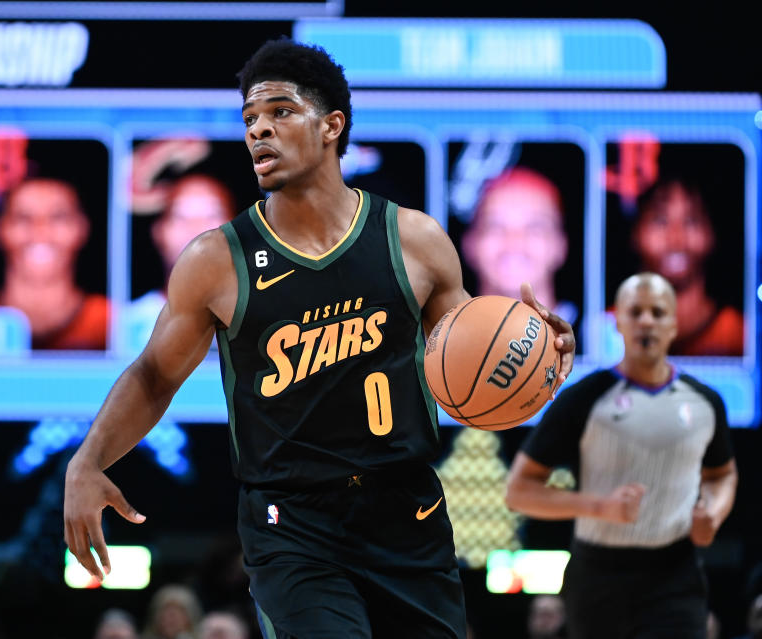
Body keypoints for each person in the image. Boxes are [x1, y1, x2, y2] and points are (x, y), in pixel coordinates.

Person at [64, 38, 575, 639]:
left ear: (332, 125)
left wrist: (537, 359)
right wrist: (88, 461)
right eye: (251, 119)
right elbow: (153, 375)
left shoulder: (412, 239)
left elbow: (467, 361)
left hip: (405, 509)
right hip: (292, 523)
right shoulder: (216, 261)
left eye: (280, 112)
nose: (260, 131)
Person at [506, 272, 738, 639]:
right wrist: (600, 506)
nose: (647, 320)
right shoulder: (583, 398)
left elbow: (722, 475)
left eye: (658, 312)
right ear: (619, 322)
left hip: (676, 573)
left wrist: (714, 510)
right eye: (636, 311)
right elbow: (518, 490)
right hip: (597, 573)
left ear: (674, 324)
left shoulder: (706, 402)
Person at [0, 176, 109, 350]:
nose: (40, 231)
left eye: (58, 217)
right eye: (23, 218)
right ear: (0, 229)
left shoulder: (112, 323)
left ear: (81, 228)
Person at [124, 174, 236, 352]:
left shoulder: (267, 322)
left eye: (213, 215)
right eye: (180, 217)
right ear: (159, 232)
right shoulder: (124, 330)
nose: (197, 228)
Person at [630, 177, 742, 356]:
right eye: (660, 220)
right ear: (635, 232)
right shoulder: (608, 329)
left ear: (712, 233)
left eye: (691, 220)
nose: (676, 240)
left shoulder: (739, 335)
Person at [462, 167, 577, 328]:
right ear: (470, 244)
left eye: (535, 227)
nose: (514, 242)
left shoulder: (605, 341)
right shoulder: (435, 340)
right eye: (494, 226)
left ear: (561, 245)